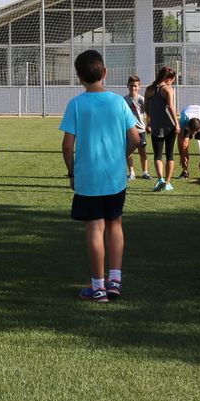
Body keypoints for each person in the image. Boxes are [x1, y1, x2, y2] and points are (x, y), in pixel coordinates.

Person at [60, 50, 140, 303]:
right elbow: (136, 139)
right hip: (115, 177)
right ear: (105, 73)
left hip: (88, 178)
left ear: (79, 77)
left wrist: (71, 171)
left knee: (95, 227)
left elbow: (66, 145)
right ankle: (114, 280)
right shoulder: (119, 102)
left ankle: (98, 287)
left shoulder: (76, 104)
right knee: (115, 224)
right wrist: (120, 156)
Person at [144, 66, 180, 192]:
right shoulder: (168, 89)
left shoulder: (149, 89)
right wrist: (177, 123)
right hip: (169, 126)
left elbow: (146, 109)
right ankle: (168, 182)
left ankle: (160, 179)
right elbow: (171, 107)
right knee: (170, 155)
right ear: (169, 79)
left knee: (157, 155)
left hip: (155, 126)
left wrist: (148, 123)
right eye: (173, 80)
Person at [124, 75, 151, 181]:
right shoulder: (124, 100)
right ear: (128, 86)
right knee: (128, 152)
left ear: (139, 87)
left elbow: (148, 113)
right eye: (131, 86)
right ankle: (131, 173)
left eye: (135, 86)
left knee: (142, 152)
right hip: (128, 130)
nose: (133, 88)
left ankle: (145, 172)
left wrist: (148, 125)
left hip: (140, 130)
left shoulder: (141, 99)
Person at [178, 103, 200, 184]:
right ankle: (185, 171)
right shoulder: (184, 119)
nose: (192, 134)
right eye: (191, 131)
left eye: (194, 132)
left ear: (199, 128)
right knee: (184, 145)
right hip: (188, 116)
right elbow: (180, 140)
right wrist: (182, 157)